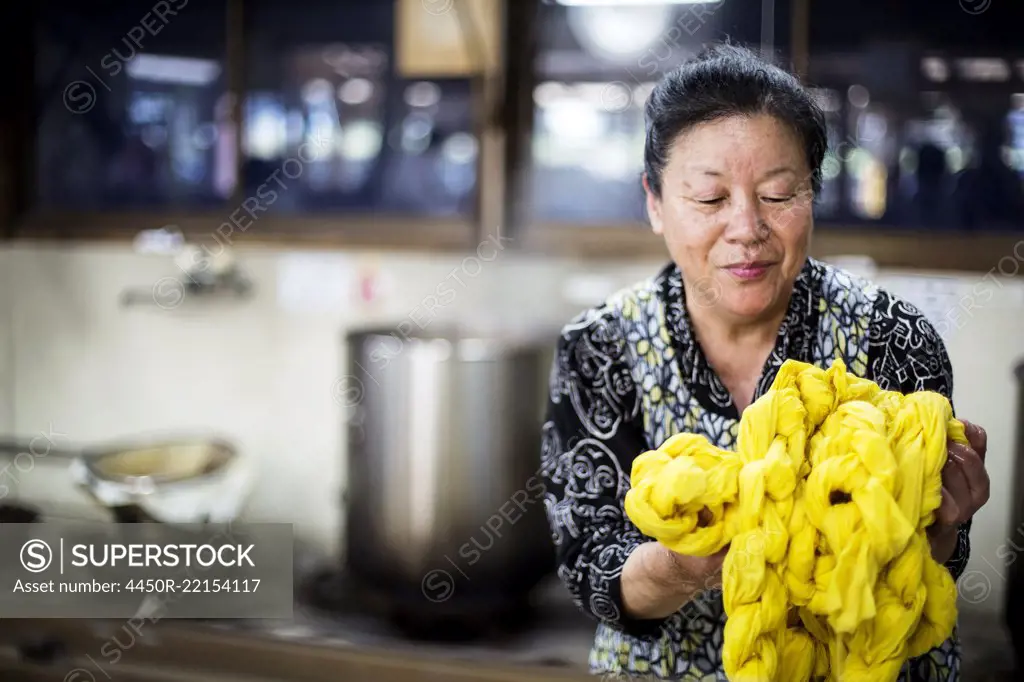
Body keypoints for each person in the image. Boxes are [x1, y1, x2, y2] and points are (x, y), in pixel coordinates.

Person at [539, 43, 990, 681]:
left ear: (812, 192)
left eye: (779, 195)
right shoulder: (601, 347)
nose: (747, 228)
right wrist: (682, 563)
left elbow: (940, 561)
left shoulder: (893, 336)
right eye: (709, 198)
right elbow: (592, 567)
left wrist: (940, 521)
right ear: (655, 202)